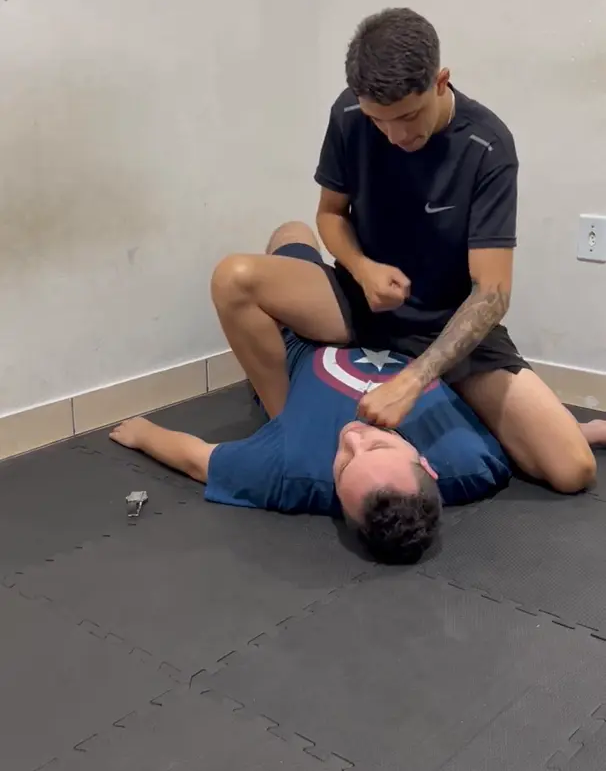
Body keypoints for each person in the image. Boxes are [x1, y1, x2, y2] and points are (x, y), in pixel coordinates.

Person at [210, 10, 598, 494]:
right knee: (233, 279)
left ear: (440, 81)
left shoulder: (488, 146)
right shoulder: (348, 114)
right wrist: (361, 267)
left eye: (409, 117)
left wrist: (413, 381)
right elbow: (330, 215)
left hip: (444, 321)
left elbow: (492, 293)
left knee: (572, 469)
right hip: (360, 299)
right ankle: (288, 426)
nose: (395, 136)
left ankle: (552, 427)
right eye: (380, 121)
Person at [111, 231, 606, 564]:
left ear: (340, 505)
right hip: (389, 325)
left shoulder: (293, 468)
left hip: (306, 339)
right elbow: (510, 437)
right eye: (381, 444)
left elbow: (198, 460)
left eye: (345, 462)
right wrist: (580, 431)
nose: (355, 435)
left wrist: (143, 433)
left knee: (290, 234)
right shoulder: (467, 460)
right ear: (427, 464)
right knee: (570, 467)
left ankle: (281, 392)